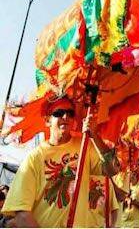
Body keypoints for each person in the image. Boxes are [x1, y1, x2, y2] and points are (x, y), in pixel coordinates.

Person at [1, 96, 119, 227]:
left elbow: (112, 169)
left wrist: (95, 136)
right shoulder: (35, 157)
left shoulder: (86, 146)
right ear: (47, 120)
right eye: (59, 113)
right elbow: (21, 213)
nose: (65, 116)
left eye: (70, 113)